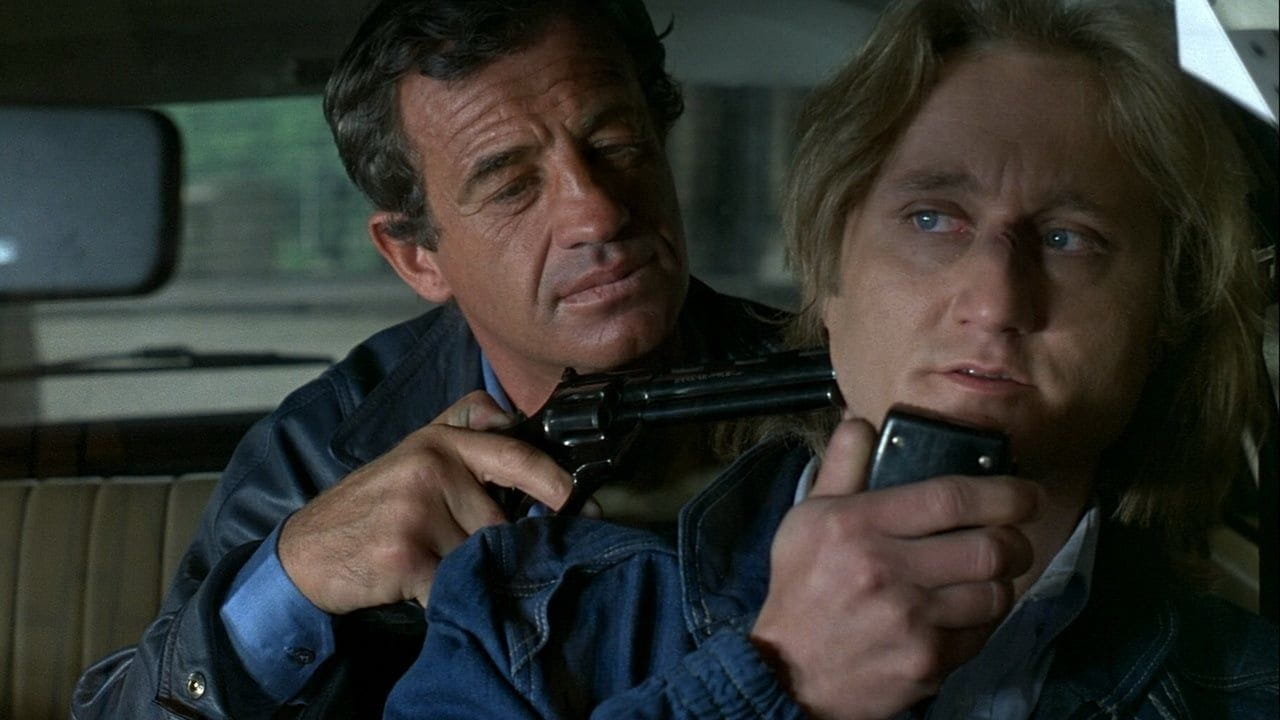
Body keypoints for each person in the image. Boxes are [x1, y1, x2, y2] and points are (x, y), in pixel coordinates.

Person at [382, 0, 1279, 717]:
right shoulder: (525, 611)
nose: (996, 301)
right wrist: (776, 681)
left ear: (1168, 306)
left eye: (1068, 238)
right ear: (827, 272)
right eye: (932, 219)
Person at [72, 1, 786, 718]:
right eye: (511, 186)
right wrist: (298, 577)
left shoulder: (826, 380)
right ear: (417, 257)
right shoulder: (322, 449)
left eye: (616, 144)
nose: (595, 212)